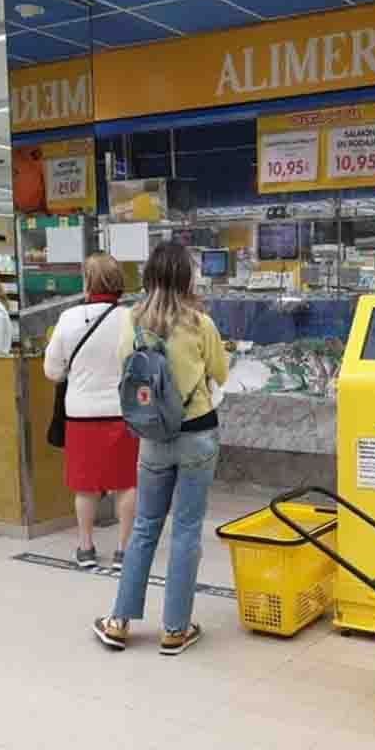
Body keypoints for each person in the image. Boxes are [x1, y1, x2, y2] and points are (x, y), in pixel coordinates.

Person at [94, 242, 228, 655]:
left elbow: (125, 370)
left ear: (149, 277)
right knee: (187, 530)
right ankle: (175, 628)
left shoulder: (132, 322)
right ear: (187, 278)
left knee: (145, 527)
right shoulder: (200, 323)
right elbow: (220, 373)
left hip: (153, 437)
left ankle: (119, 621)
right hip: (198, 434)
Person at [44, 254, 137, 572]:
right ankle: (124, 551)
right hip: (122, 413)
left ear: (87, 282)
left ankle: (85, 547)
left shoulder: (68, 318)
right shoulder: (132, 318)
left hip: (80, 415)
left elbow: (52, 371)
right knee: (126, 483)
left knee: (86, 486)